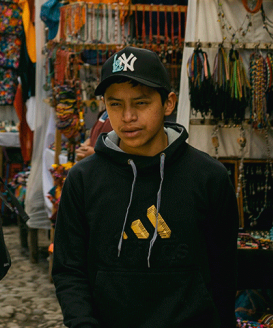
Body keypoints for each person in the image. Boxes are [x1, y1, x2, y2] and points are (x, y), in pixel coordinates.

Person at [52, 46, 238, 328]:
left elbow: (224, 273)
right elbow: (68, 269)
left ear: (168, 103)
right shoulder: (83, 179)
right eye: (115, 104)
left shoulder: (209, 177)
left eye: (140, 103)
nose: (127, 117)